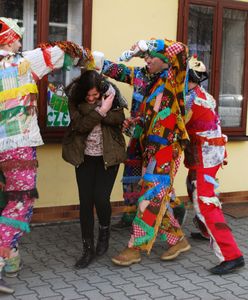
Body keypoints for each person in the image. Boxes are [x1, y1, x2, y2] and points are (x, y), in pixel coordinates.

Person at [0, 17, 94, 294]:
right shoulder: (25, 61)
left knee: (7, 201)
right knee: (20, 204)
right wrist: (89, 57)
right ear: (8, 39)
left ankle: (12, 260)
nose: (20, 40)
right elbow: (68, 51)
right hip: (17, 146)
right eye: (17, 36)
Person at [95, 38, 191, 266]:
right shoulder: (147, 79)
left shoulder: (173, 78)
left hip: (166, 149)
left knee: (150, 194)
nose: (146, 60)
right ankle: (177, 239)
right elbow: (120, 71)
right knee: (154, 194)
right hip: (150, 147)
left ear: (166, 60)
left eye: (150, 57)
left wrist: (149, 44)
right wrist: (90, 60)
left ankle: (135, 247)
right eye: (145, 57)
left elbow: (181, 51)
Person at [184, 55, 245, 275]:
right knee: (192, 186)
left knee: (206, 201)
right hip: (206, 151)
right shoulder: (197, 94)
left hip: (206, 155)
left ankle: (232, 256)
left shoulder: (191, 100)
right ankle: (205, 230)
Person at [63, 70, 126, 269]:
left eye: (95, 95)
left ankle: (104, 232)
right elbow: (79, 126)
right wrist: (101, 109)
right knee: (85, 202)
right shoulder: (73, 98)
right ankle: (87, 248)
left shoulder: (112, 95)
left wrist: (103, 109)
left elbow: (118, 120)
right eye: (87, 96)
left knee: (101, 198)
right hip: (84, 157)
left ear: (100, 90)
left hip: (109, 156)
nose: (91, 98)